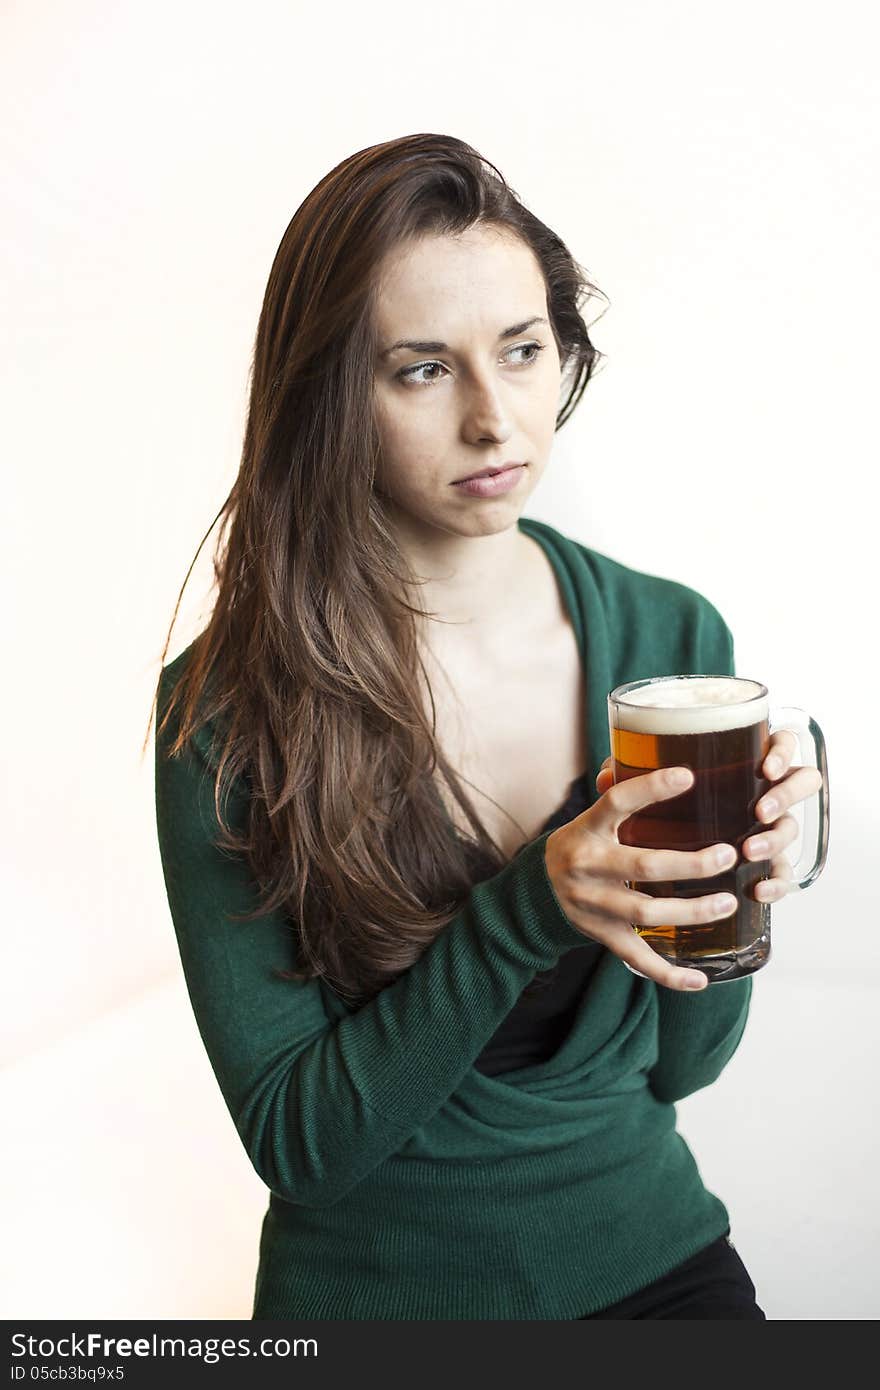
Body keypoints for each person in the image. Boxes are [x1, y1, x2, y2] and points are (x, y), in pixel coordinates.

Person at [151, 133, 821, 1320]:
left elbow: (686, 1061)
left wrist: (743, 891)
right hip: (379, 1301)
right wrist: (528, 910)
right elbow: (301, 1143)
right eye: (420, 370)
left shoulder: (670, 642)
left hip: (652, 1253)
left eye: (521, 351)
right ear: (329, 397)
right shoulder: (227, 716)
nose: (492, 419)